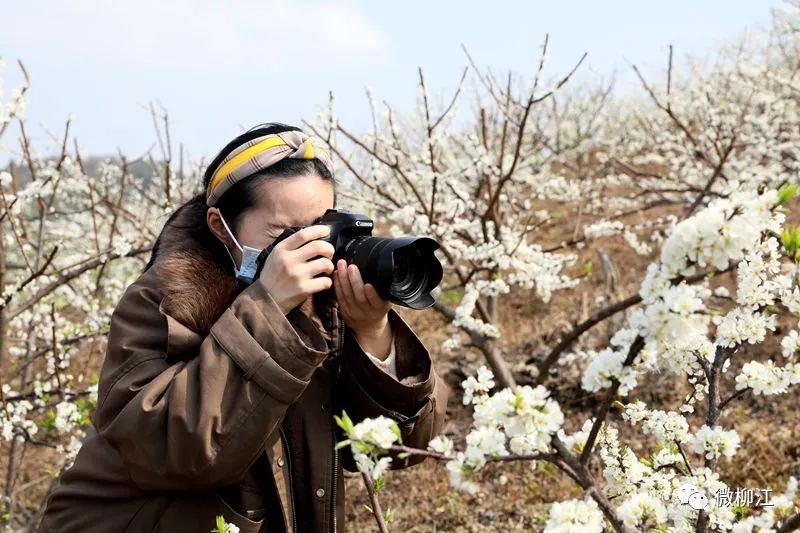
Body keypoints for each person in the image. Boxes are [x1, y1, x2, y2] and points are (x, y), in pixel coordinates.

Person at [38, 123, 450, 533]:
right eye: (285, 231)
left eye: (320, 227)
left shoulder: (324, 305)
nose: (307, 246)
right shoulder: (162, 301)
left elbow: (399, 450)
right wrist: (267, 308)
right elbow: (166, 449)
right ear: (220, 226)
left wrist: (374, 335)